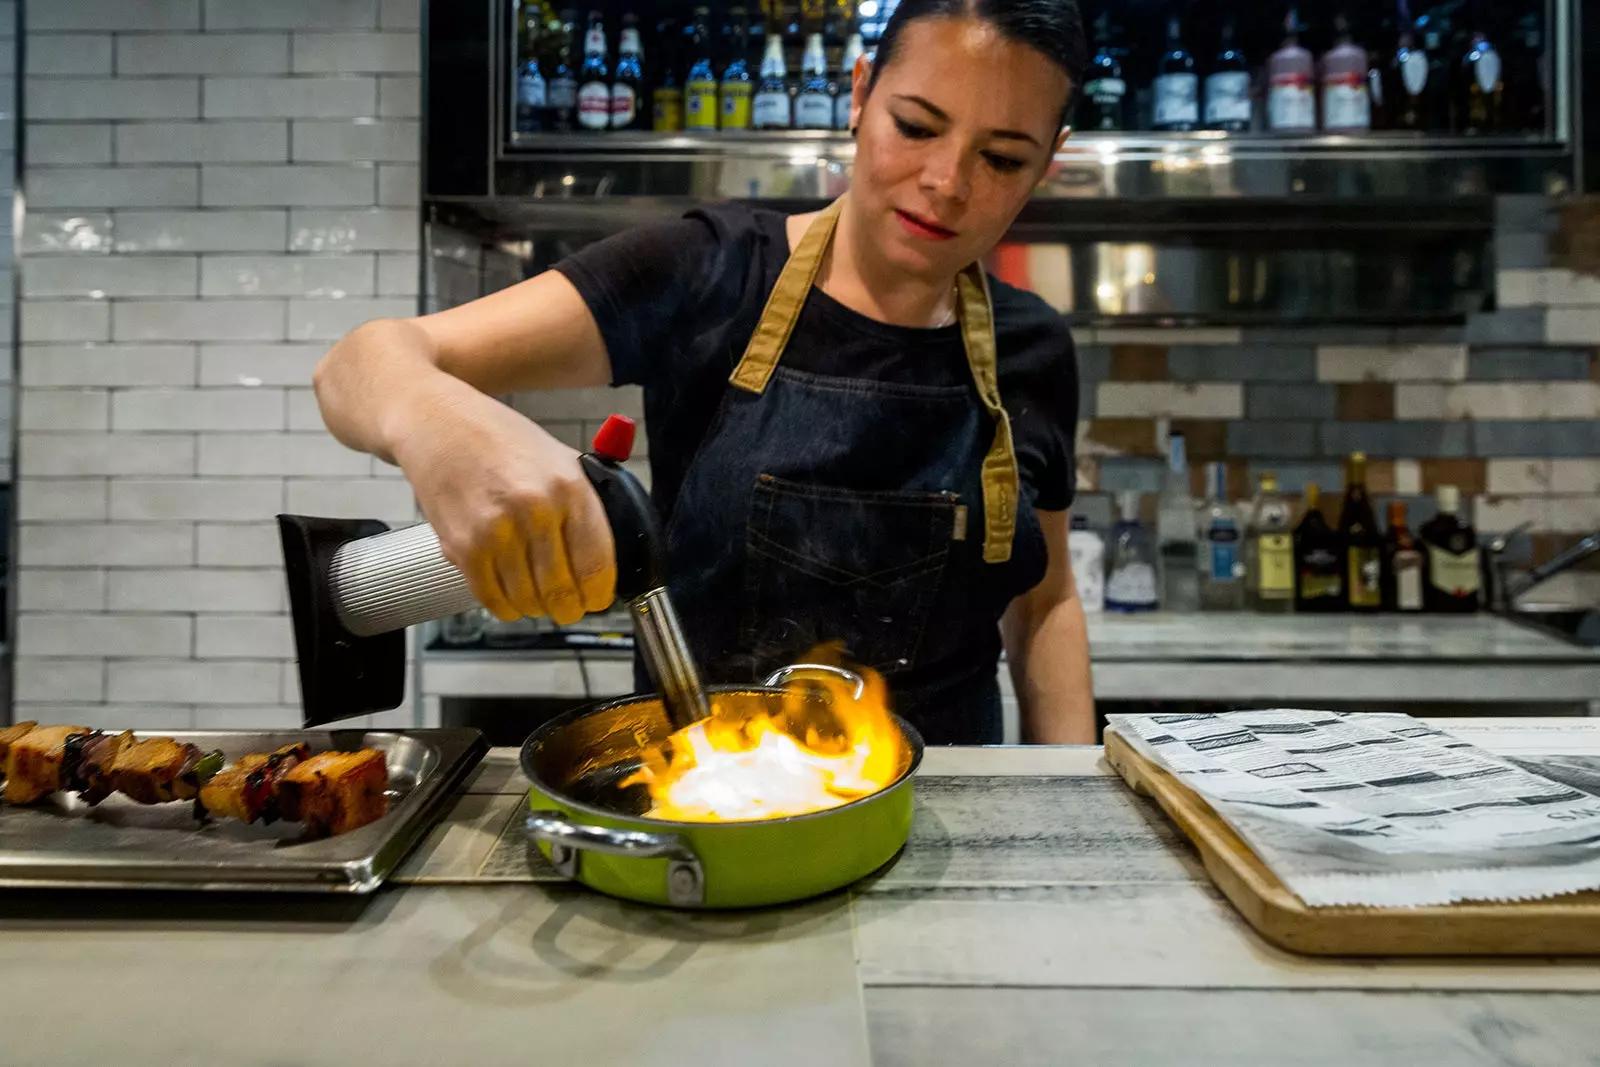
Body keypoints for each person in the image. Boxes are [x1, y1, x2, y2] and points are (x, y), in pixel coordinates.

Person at [314, 0, 1095, 745]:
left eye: (1001, 158)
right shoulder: (707, 272)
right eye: (917, 126)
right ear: (859, 95)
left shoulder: (1034, 349)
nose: (948, 181)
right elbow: (360, 364)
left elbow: (1046, 598)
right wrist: (443, 429)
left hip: (959, 810)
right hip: (711, 802)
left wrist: (1075, 794)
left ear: (1048, 163)